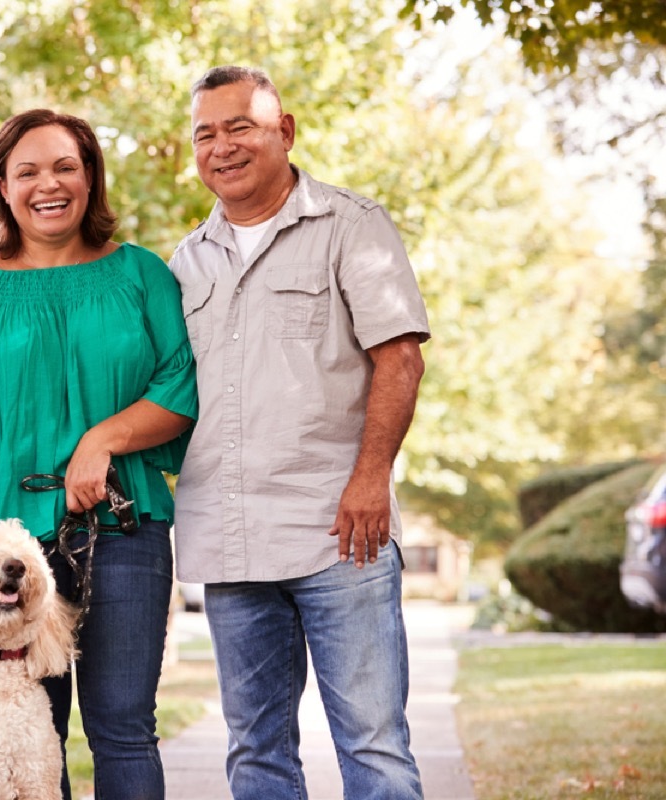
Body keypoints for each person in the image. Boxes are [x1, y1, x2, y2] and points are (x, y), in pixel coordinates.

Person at [0, 108, 198, 800]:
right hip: (8, 548)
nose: (49, 184)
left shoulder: (142, 275)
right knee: (32, 730)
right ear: (3, 188)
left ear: (90, 178)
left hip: (124, 532)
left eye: (66, 167)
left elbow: (180, 388)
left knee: (124, 727)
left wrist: (103, 439)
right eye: (28, 171)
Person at [169, 65, 430, 800]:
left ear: (284, 131)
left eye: (240, 126)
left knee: (374, 746)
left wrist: (371, 477)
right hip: (230, 542)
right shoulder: (186, 261)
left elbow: (400, 359)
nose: (222, 147)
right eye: (206, 134)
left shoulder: (352, 225)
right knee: (256, 753)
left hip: (339, 534)